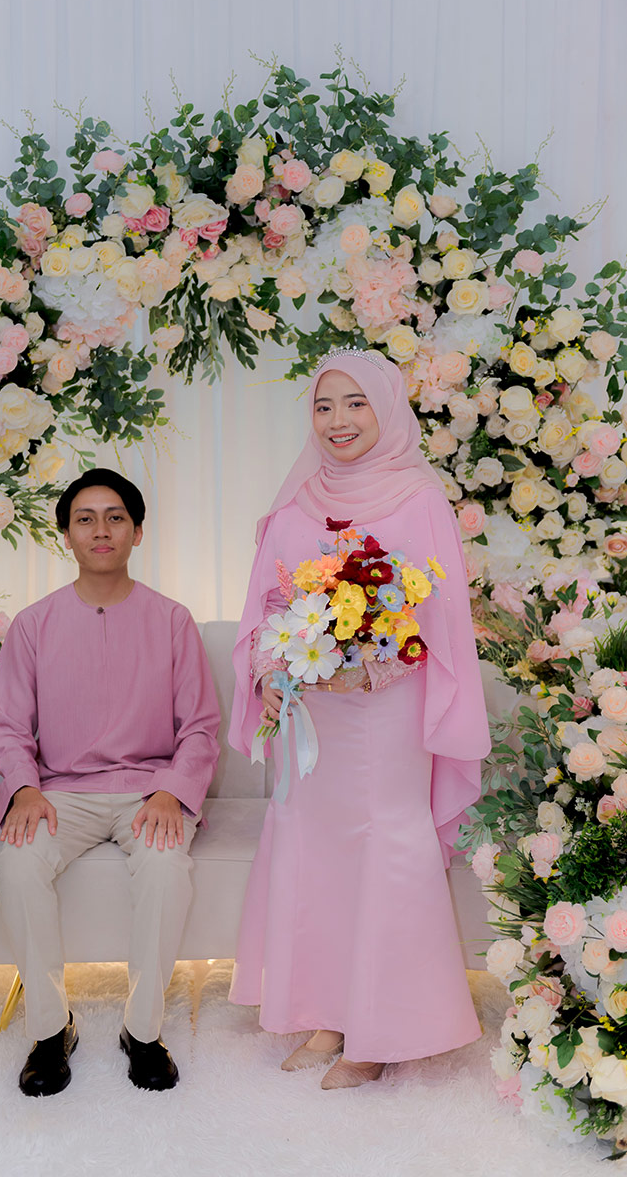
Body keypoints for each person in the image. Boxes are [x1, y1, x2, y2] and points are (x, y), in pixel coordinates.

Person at [228, 348, 490, 1089]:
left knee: (383, 845)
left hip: (385, 713)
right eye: (323, 406)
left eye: (355, 403)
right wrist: (271, 675)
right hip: (312, 718)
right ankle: (327, 1011)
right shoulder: (295, 503)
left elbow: (438, 618)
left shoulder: (418, 499)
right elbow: (267, 607)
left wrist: (367, 667)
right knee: (313, 847)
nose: (337, 421)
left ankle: (378, 1033)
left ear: (386, 409)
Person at [0, 468, 220, 1096]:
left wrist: (172, 791)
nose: (101, 530)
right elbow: (8, 724)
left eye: (115, 517)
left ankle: (143, 1033)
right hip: (58, 791)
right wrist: (24, 787)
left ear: (137, 532)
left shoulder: (172, 621)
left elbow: (201, 726)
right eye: (85, 518)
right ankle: (49, 1030)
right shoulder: (34, 624)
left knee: (166, 867)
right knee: (18, 865)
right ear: (65, 535)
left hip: (150, 790)